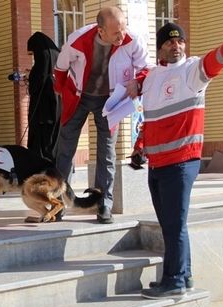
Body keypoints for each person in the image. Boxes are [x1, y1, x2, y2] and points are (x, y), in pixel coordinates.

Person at [133, 23, 223, 299]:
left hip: (181, 162)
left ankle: (174, 280)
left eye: (180, 42)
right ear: (161, 47)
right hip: (157, 163)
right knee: (169, 223)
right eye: (170, 42)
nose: (176, 46)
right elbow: (150, 119)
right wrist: (140, 146)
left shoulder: (191, 71)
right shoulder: (153, 77)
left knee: (175, 223)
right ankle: (183, 275)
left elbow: (214, 62)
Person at [53, 6, 148, 223]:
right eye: (116, 32)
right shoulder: (77, 40)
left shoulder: (133, 41)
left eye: (123, 29)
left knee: (106, 151)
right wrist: (62, 93)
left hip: (110, 100)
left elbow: (145, 68)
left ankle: (103, 202)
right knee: (66, 149)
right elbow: (60, 70)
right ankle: (58, 202)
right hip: (78, 97)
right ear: (100, 30)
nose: (121, 36)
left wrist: (138, 81)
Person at [26, 32, 61, 163]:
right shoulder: (56, 71)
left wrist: (30, 77)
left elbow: (36, 85)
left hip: (43, 121)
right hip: (55, 121)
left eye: (33, 54)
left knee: (40, 153)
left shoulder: (42, 73)